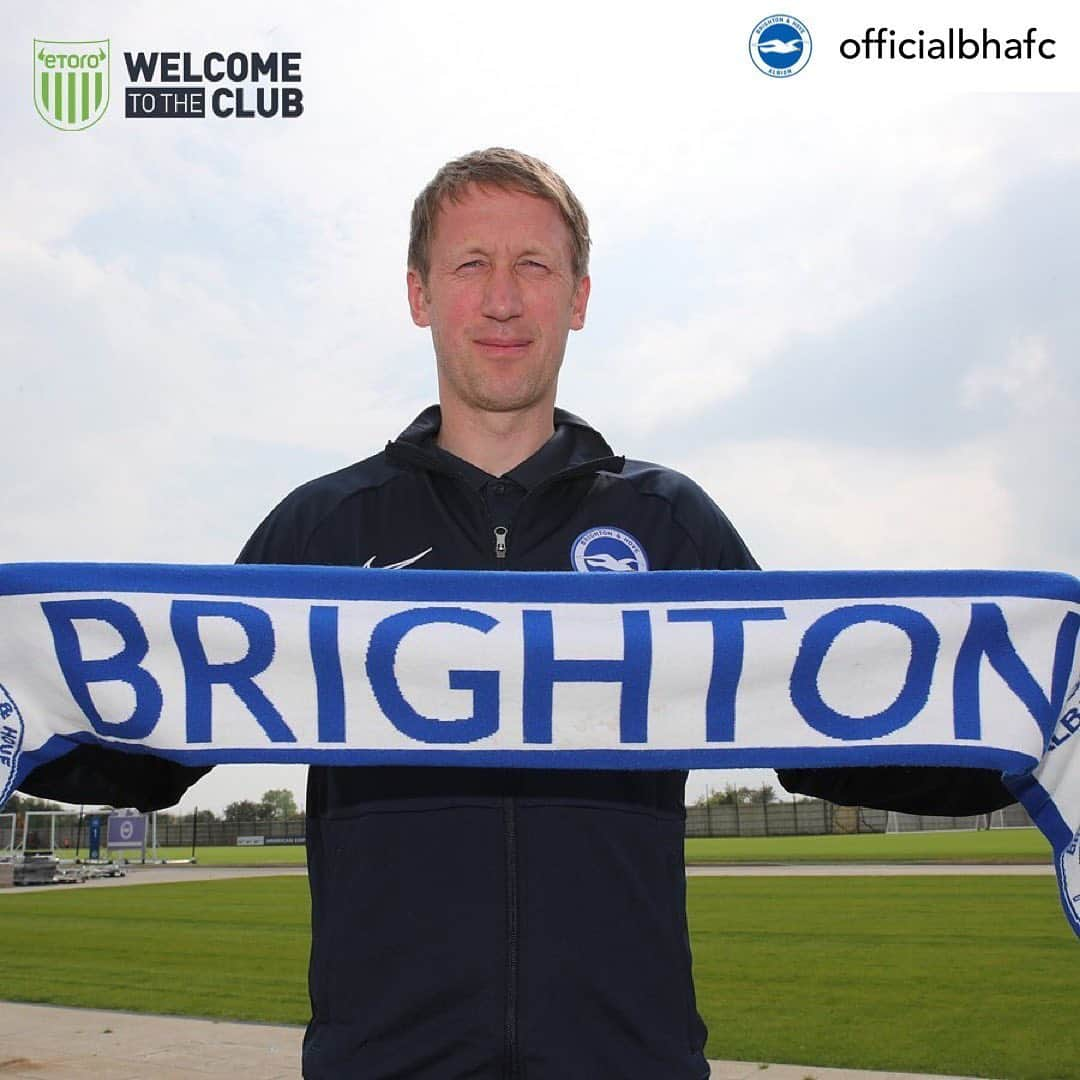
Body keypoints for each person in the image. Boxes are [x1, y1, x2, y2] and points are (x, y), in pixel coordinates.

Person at [20, 147, 1014, 1079]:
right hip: (385, 1059)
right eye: (471, 265)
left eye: (535, 265)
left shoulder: (669, 523)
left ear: (578, 298)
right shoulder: (322, 529)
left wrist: (1022, 738)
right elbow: (157, 748)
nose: (502, 298)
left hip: (630, 1054)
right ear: (419, 294)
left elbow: (822, 732)